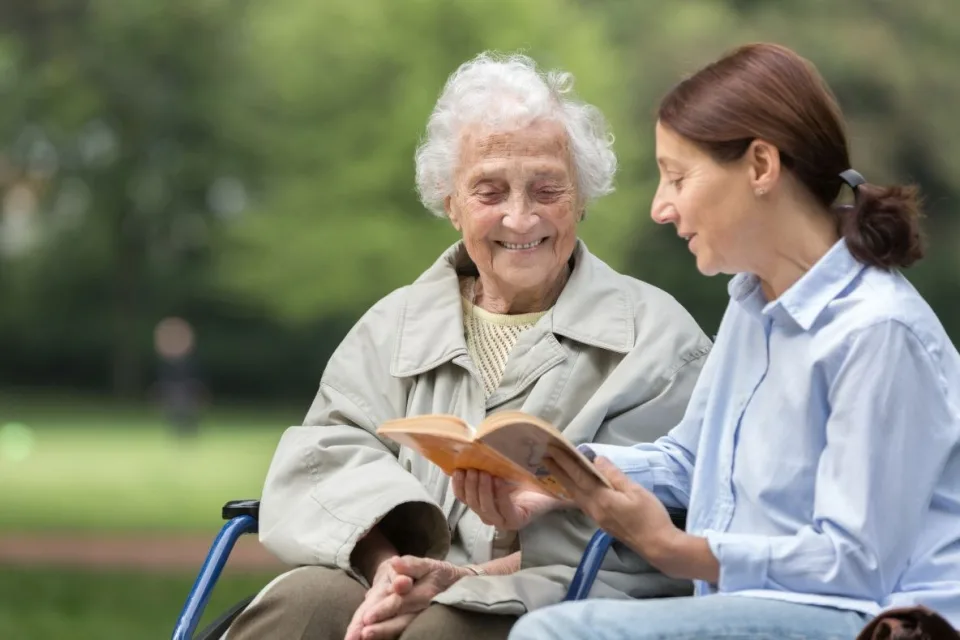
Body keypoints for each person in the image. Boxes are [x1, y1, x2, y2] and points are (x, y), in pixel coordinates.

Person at [459, 43, 960, 640]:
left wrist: (675, 550)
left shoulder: (878, 332)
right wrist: (557, 474)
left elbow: (856, 565)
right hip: (765, 609)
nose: (660, 207)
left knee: (554, 634)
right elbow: (690, 462)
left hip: (872, 621)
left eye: (677, 177)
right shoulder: (753, 304)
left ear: (760, 167)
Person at [224, 52, 712, 640]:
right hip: (393, 575)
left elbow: (642, 535)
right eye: (489, 191)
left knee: (442, 630)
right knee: (302, 604)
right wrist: (389, 573)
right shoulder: (393, 326)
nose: (520, 217)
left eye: (547, 189)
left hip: (565, 598)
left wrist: (462, 579)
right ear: (450, 202)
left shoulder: (658, 340)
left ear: (581, 198)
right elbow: (324, 459)